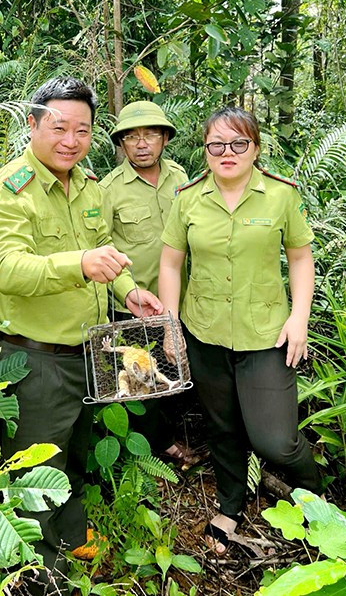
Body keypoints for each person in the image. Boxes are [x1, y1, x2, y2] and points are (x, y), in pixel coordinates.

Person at [0, 77, 162, 593]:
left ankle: (73, 531)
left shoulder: (87, 186)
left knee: (76, 450)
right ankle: (40, 573)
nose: (71, 140)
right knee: (35, 468)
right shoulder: (8, 190)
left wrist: (129, 292)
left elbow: (105, 250)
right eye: (59, 128)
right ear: (32, 124)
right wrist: (78, 264)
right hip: (36, 357)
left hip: (89, 348)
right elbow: (7, 270)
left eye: (82, 130)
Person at [158, 106, 322, 555]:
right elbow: (171, 264)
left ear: (256, 148)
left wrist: (299, 318)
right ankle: (231, 504)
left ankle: (314, 493)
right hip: (205, 332)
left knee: (276, 441)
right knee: (223, 428)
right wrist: (170, 325)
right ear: (205, 150)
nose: (226, 152)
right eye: (216, 144)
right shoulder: (188, 198)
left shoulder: (281, 196)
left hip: (266, 334)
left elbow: (300, 258)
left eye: (238, 143)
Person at [99, 100, 194, 466]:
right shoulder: (109, 189)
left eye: (150, 134)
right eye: (131, 137)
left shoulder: (180, 177)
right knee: (142, 378)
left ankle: (176, 432)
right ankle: (158, 447)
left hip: (180, 300)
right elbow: (102, 247)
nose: (141, 144)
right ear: (121, 143)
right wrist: (127, 290)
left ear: (165, 139)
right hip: (135, 307)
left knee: (178, 370)